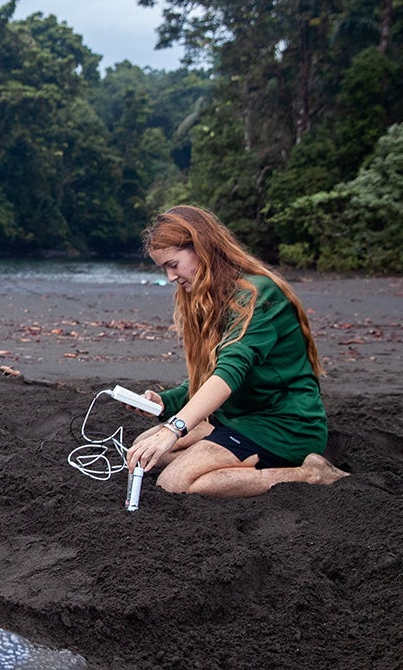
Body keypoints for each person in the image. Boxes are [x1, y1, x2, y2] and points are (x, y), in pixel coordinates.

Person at [125, 205, 348, 498]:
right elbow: (210, 374)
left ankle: (309, 474)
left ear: (201, 249)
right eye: (163, 268)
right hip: (239, 418)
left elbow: (228, 375)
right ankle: (224, 457)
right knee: (141, 451)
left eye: (173, 264)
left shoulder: (257, 295)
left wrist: (174, 429)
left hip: (284, 425)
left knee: (175, 482)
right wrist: (164, 403)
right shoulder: (207, 296)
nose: (170, 277)